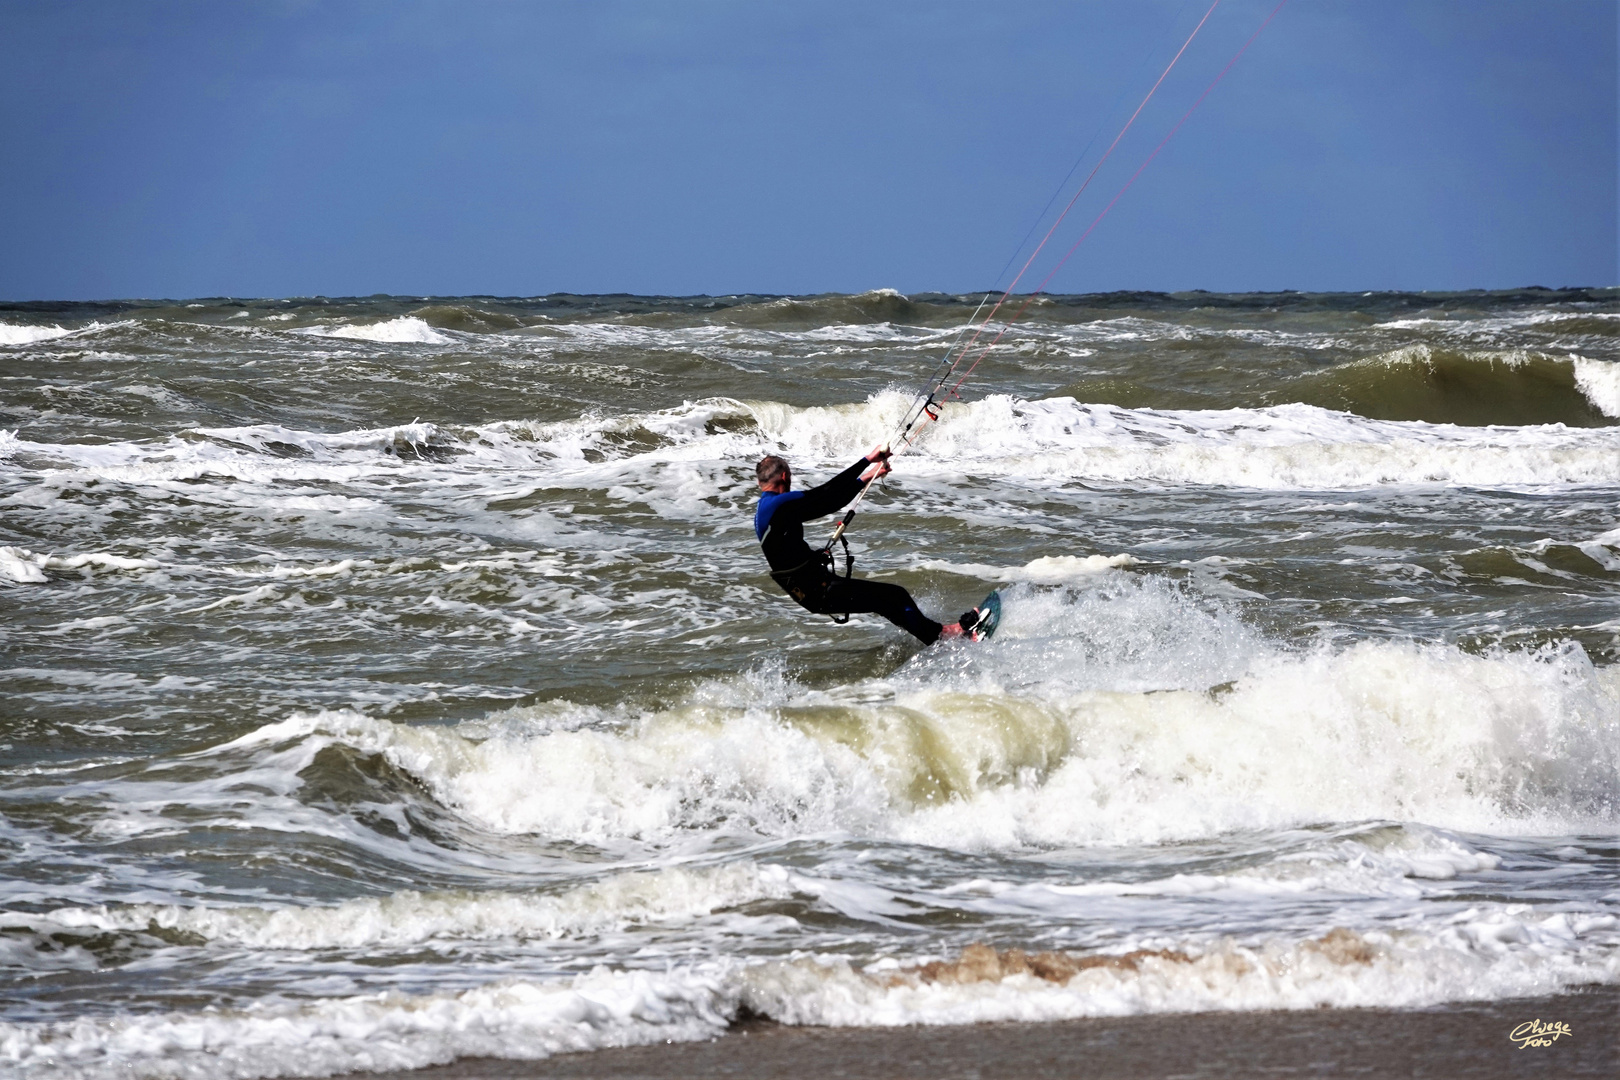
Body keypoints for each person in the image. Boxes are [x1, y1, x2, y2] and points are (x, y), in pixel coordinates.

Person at [754, 446, 980, 644]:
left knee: (885, 602)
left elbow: (828, 503)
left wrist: (866, 478)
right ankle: (948, 634)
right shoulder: (779, 504)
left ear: (760, 482)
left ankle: (936, 637)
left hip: (810, 591)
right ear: (785, 476)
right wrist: (867, 461)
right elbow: (825, 494)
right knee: (895, 596)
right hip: (820, 590)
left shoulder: (766, 511)